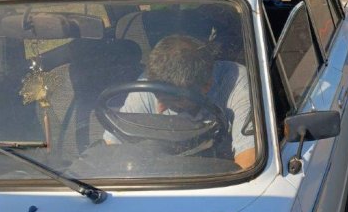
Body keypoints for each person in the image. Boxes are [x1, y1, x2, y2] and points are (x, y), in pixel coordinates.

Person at [103, 34, 255, 168]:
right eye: (158, 96)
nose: (160, 108)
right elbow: (113, 146)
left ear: (206, 86)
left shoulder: (237, 85)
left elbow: (247, 165)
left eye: (175, 100)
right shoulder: (148, 83)